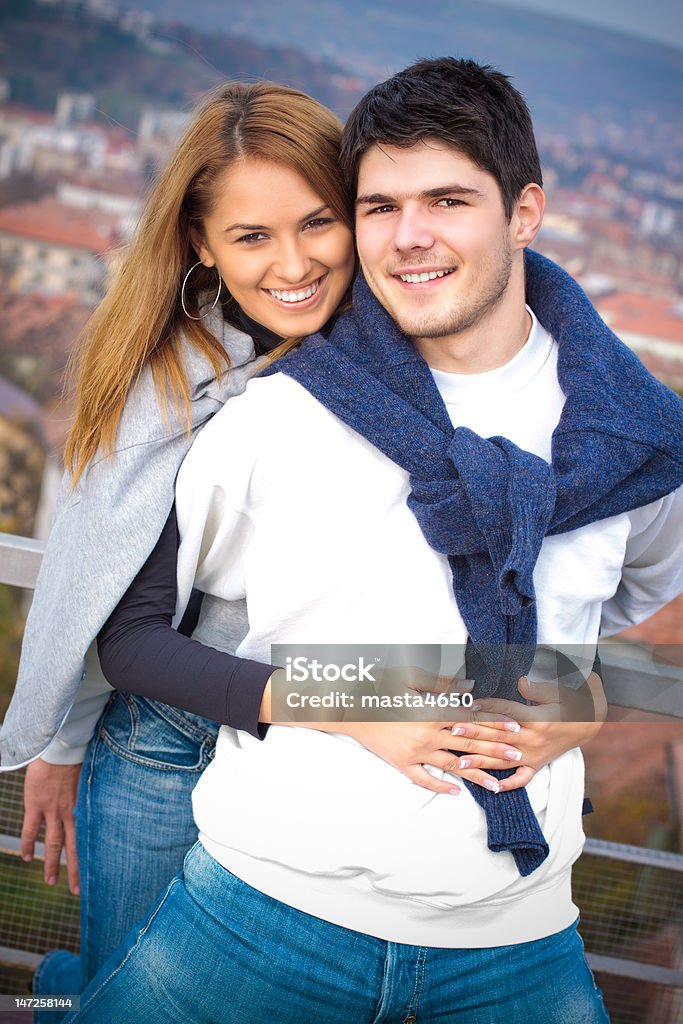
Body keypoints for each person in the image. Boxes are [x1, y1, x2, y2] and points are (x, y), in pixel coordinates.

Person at [63, 57, 683, 1024]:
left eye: (447, 200)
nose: (410, 237)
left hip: (515, 940)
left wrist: (582, 699)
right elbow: (131, 628)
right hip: (266, 908)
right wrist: (364, 700)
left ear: (523, 213)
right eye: (379, 205)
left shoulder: (633, 442)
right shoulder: (270, 418)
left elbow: (593, 620)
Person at [2, 76, 543, 1020]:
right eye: (251, 236)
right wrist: (63, 736)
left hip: (321, 765)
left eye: (318, 223)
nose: (293, 265)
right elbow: (122, 630)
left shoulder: (415, 359)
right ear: (201, 247)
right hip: (173, 750)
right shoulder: (176, 389)